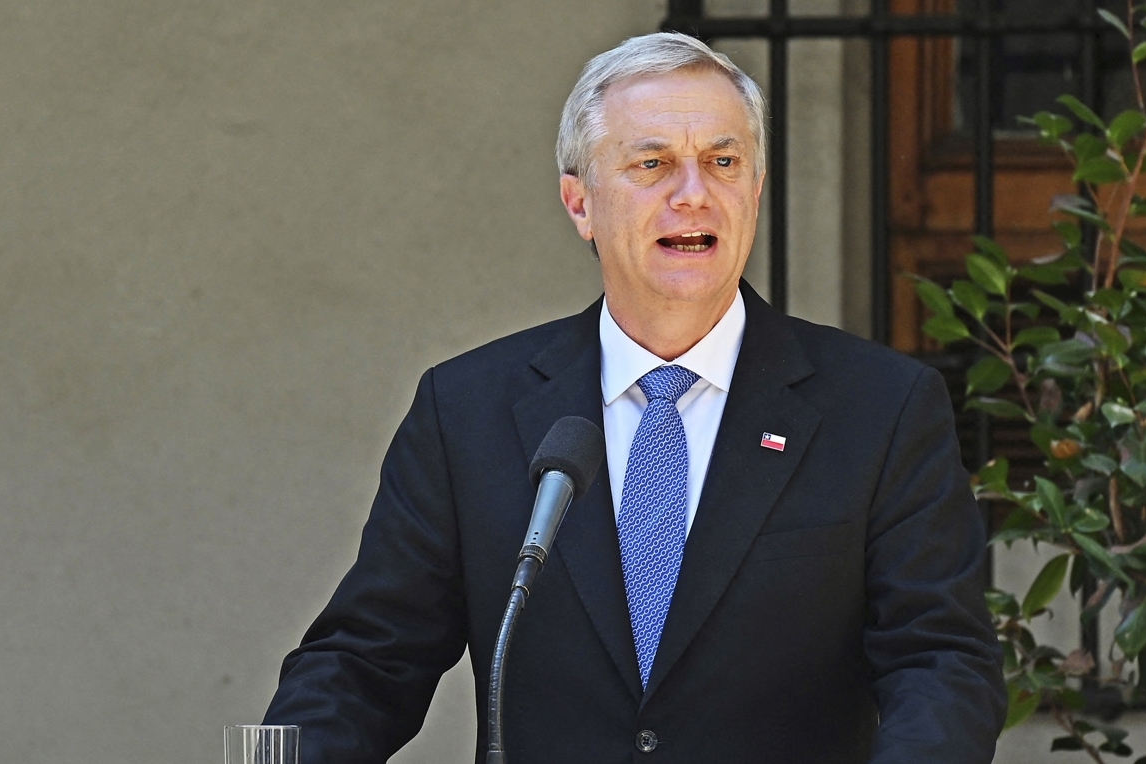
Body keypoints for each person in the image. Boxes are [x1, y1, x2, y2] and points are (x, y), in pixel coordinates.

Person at [263, 32, 1006, 763]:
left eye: (722, 162)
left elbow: (940, 663)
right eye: (652, 164)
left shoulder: (880, 407)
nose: (693, 194)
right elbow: (362, 663)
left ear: (756, 188)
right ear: (579, 202)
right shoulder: (467, 411)